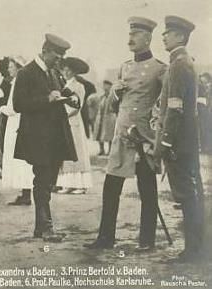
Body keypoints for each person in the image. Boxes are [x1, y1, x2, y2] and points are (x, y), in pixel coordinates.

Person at [84, 17, 167, 251]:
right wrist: (116, 94)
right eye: (129, 34)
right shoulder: (124, 67)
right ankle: (106, 238)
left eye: (136, 35)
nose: (130, 39)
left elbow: (163, 106)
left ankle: (147, 241)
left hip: (143, 140)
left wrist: (153, 132)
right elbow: (112, 108)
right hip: (122, 138)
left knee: (147, 191)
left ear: (148, 38)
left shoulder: (160, 69)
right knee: (111, 189)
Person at [13, 34, 77, 242]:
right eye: (57, 56)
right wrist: (46, 99)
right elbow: (18, 104)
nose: (59, 60)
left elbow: (62, 91)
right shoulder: (26, 73)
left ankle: (41, 228)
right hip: (38, 138)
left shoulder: (54, 72)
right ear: (45, 51)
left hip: (56, 138)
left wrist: (72, 96)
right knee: (42, 181)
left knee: (48, 182)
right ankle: (46, 227)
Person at [154, 16, 204, 262]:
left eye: (169, 32)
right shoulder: (184, 61)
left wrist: (165, 142)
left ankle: (192, 250)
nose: (163, 36)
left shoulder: (178, 64)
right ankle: (195, 247)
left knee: (185, 194)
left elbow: (175, 108)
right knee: (189, 194)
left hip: (178, 141)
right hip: (186, 139)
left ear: (181, 37)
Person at [0, 56, 34, 206]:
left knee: (20, 159)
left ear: (18, 68)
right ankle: (24, 192)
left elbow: (14, 107)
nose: (8, 69)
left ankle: (26, 194)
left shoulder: (18, 83)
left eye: (11, 67)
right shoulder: (19, 82)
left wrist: (2, 109)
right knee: (20, 160)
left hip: (17, 123)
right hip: (17, 123)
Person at [57, 57, 92, 194]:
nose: (65, 72)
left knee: (77, 151)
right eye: (64, 70)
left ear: (73, 72)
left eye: (68, 70)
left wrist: (62, 114)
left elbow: (77, 106)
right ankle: (67, 184)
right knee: (66, 152)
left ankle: (80, 185)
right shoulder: (62, 86)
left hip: (73, 122)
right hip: (63, 122)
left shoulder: (79, 86)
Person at [93, 80, 117, 155]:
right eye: (104, 85)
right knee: (99, 134)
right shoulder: (101, 97)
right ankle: (101, 150)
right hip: (101, 117)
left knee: (109, 135)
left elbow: (114, 106)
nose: (104, 87)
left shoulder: (113, 96)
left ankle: (110, 150)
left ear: (110, 86)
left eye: (106, 85)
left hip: (109, 118)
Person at [198, 72, 212, 154]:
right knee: (204, 129)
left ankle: (207, 147)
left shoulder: (208, 89)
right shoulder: (204, 88)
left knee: (206, 129)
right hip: (205, 112)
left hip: (207, 112)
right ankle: (205, 147)